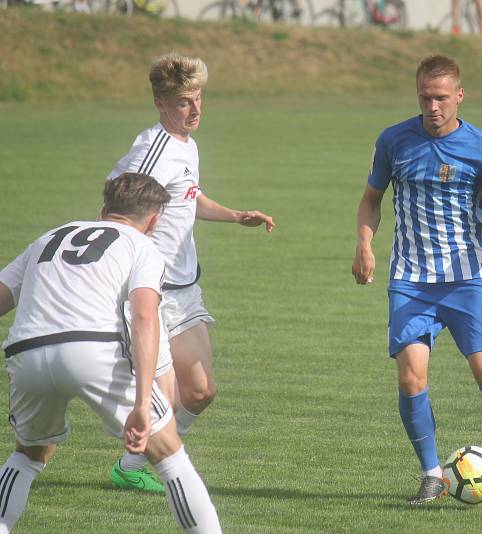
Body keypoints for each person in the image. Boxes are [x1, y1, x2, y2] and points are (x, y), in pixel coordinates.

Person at [352, 54, 482, 505]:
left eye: (442, 98)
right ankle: (431, 475)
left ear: (459, 96)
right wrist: (365, 244)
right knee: (411, 379)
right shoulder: (393, 141)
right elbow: (371, 199)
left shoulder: (481, 148)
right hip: (411, 279)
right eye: (425, 97)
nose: (433, 106)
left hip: (468, 278)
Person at [0, 173, 222, 533]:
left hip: (26, 352)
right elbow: (145, 316)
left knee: (28, 456)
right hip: (92, 349)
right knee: (170, 457)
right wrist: (141, 401)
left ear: (104, 211)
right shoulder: (143, 246)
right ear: (153, 221)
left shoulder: (49, 237)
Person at [106, 53, 276, 493]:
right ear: (160, 104)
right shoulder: (153, 149)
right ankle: (164, 469)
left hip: (184, 289)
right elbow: (116, 203)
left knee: (200, 392)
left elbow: (188, 196)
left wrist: (235, 215)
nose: (195, 109)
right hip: (148, 292)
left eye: (199, 98)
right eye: (184, 102)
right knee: (165, 396)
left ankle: (132, 462)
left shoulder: (186, 144)